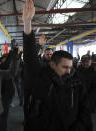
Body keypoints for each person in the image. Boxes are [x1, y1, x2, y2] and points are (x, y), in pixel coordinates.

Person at [22, 0, 92, 131]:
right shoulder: (42, 78)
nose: (69, 71)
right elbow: (30, 58)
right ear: (53, 65)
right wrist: (27, 23)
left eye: (70, 67)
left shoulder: (77, 81)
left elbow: (85, 112)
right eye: (65, 67)